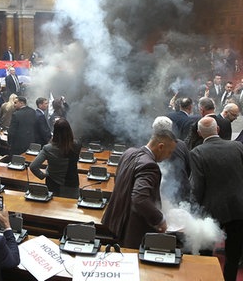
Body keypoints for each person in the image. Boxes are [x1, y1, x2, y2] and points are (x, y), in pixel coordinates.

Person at [101, 129, 177, 249]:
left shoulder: (128, 152)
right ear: (161, 147)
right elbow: (139, 198)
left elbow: (119, 180)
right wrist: (160, 219)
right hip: (133, 229)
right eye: (170, 152)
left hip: (117, 221)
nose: (169, 156)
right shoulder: (150, 166)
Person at [190, 117, 243, 281]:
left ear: (199, 133)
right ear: (218, 129)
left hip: (211, 209)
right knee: (233, 255)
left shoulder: (197, 152)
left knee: (206, 254)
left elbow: (197, 186)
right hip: (238, 206)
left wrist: (194, 210)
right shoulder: (237, 146)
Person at [30, 118, 81, 198]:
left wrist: (42, 175)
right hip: (72, 184)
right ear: (69, 131)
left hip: (53, 184)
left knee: (53, 208)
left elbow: (33, 166)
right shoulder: (77, 145)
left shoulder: (47, 148)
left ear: (55, 132)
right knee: (70, 208)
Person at [152, 116, 191, 204]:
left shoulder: (152, 146)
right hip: (180, 189)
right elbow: (189, 167)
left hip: (166, 191)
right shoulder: (181, 144)